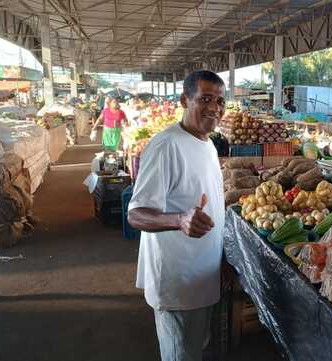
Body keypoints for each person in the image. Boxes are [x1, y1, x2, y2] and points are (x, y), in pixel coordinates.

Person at [127, 70, 226, 361]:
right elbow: (136, 214)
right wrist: (179, 220)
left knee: (193, 349)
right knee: (180, 354)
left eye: (220, 101)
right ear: (185, 100)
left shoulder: (206, 143)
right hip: (177, 280)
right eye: (205, 99)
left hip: (202, 273)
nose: (214, 108)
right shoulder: (166, 145)